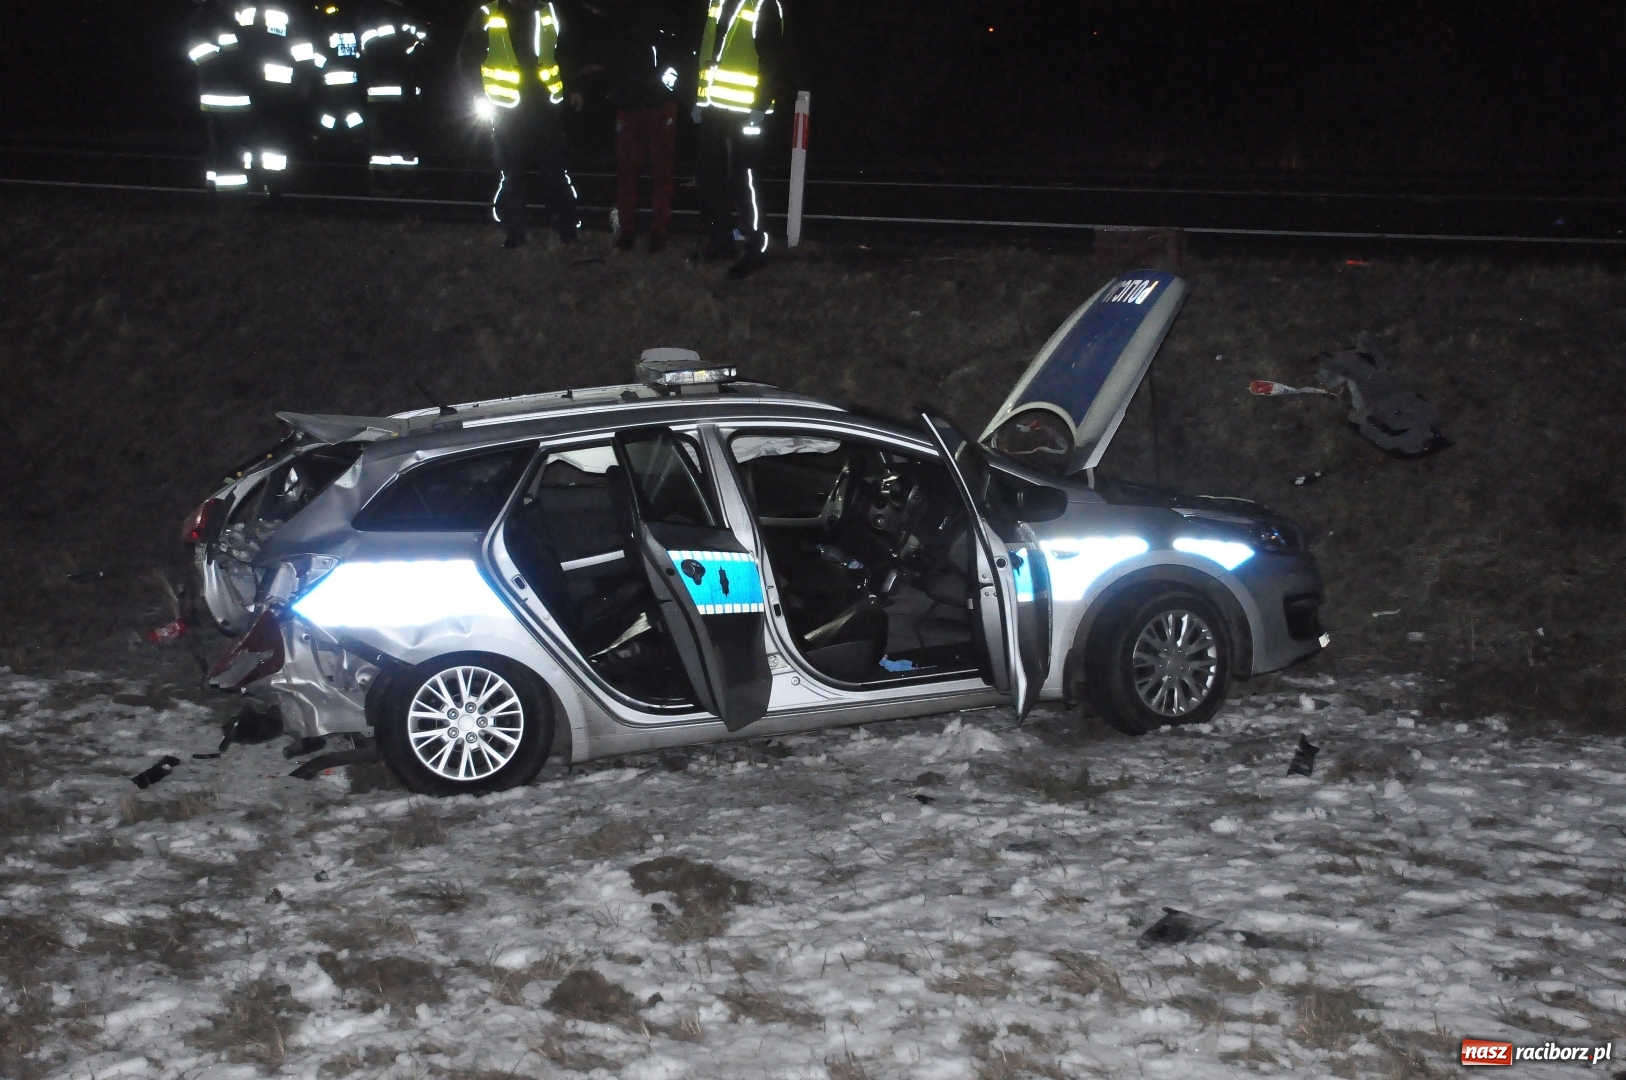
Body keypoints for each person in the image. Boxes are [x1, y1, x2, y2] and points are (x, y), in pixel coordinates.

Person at [460, 0, 582, 248]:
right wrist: (476, 92)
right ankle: (514, 232)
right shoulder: (488, 13)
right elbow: (466, 57)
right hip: (507, 111)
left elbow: (567, 51)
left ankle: (567, 228)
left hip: (545, 107)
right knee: (512, 173)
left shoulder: (549, 11)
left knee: (554, 171)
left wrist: (575, 87)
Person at [691, 0, 788, 278]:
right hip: (715, 108)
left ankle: (756, 247)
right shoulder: (716, 4)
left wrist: (760, 105)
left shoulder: (763, 5)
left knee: (743, 179)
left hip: (747, 110)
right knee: (707, 173)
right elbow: (708, 57)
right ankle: (720, 238)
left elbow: (772, 59)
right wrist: (700, 100)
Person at [596, 0, 681, 253]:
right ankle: (627, 231)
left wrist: (666, 89)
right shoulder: (618, 15)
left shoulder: (664, 15)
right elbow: (609, 54)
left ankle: (659, 230)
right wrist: (618, 92)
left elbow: (679, 53)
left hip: (660, 106)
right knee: (627, 174)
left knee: (662, 173)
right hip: (629, 107)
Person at [356, 0, 431, 189]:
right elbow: (370, 47)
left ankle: (403, 185)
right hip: (386, 91)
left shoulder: (405, 14)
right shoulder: (373, 12)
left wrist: (406, 50)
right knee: (385, 140)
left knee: (403, 141)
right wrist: (403, 49)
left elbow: (424, 43)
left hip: (405, 91)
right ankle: (383, 185)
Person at [187, 0, 257, 190]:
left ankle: (219, 194)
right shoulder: (208, 15)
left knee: (226, 149)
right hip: (221, 95)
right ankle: (229, 200)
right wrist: (231, 62)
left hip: (234, 95)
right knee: (227, 150)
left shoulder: (227, 13)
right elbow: (199, 52)